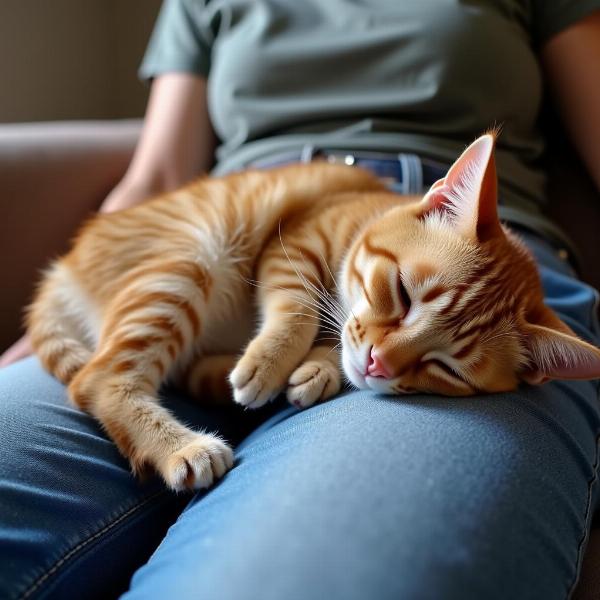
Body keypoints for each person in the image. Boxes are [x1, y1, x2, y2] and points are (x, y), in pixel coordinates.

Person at [1, 1, 600, 598]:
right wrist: (54, 323)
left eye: (438, 362)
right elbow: (157, 175)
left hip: (484, 258)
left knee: (317, 574)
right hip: (267, 229)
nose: (383, 362)